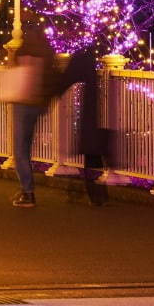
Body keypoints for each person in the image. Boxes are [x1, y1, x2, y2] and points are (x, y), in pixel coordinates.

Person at [3, 20, 58, 208]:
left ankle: (27, 191)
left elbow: (13, 72)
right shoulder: (46, 51)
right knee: (26, 145)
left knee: (20, 149)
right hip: (37, 104)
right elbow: (51, 77)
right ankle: (26, 189)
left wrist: (11, 56)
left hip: (22, 102)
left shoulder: (24, 50)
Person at [57, 48, 110, 206]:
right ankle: (97, 194)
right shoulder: (94, 79)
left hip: (93, 124)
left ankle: (96, 195)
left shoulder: (87, 78)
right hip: (97, 123)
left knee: (91, 152)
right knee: (93, 153)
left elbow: (64, 82)